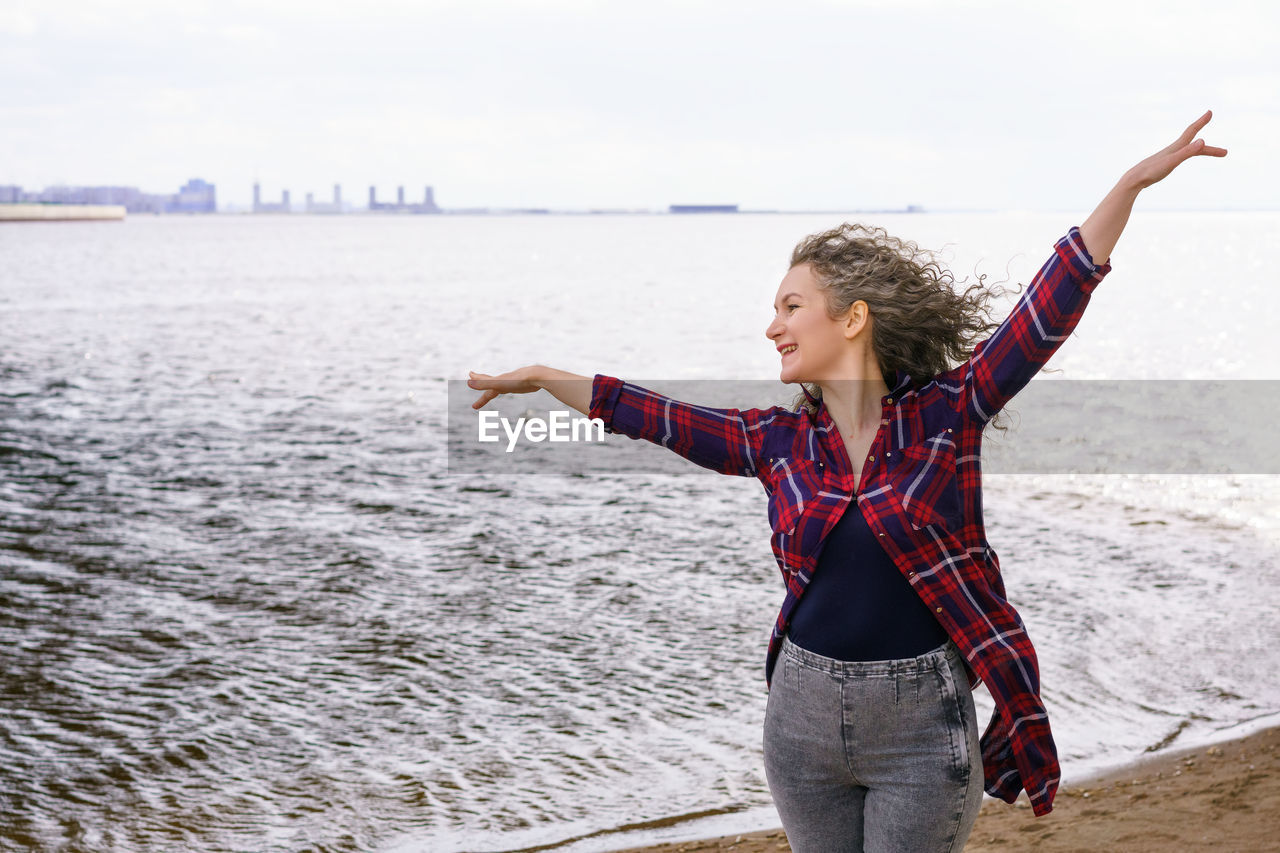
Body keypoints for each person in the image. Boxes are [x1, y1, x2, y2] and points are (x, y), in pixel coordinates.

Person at [467, 111, 1226, 852]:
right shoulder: (776, 441)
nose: (773, 326)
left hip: (922, 726)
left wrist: (1130, 184)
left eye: (791, 306)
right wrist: (543, 376)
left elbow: (1046, 309)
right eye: (774, 310)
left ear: (854, 317)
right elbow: (652, 414)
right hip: (799, 719)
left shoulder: (950, 412)